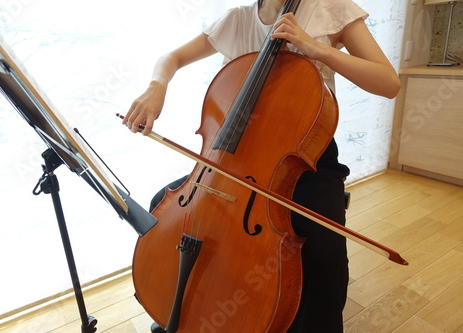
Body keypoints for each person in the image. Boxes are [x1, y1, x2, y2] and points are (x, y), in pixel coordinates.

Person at [122, 0, 400, 332]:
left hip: (305, 159)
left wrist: (317, 49)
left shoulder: (329, 6)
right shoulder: (238, 18)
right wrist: (158, 85)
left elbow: (388, 83)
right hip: (233, 161)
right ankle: (187, 310)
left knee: (324, 257)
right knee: (164, 209)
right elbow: (173, 57)